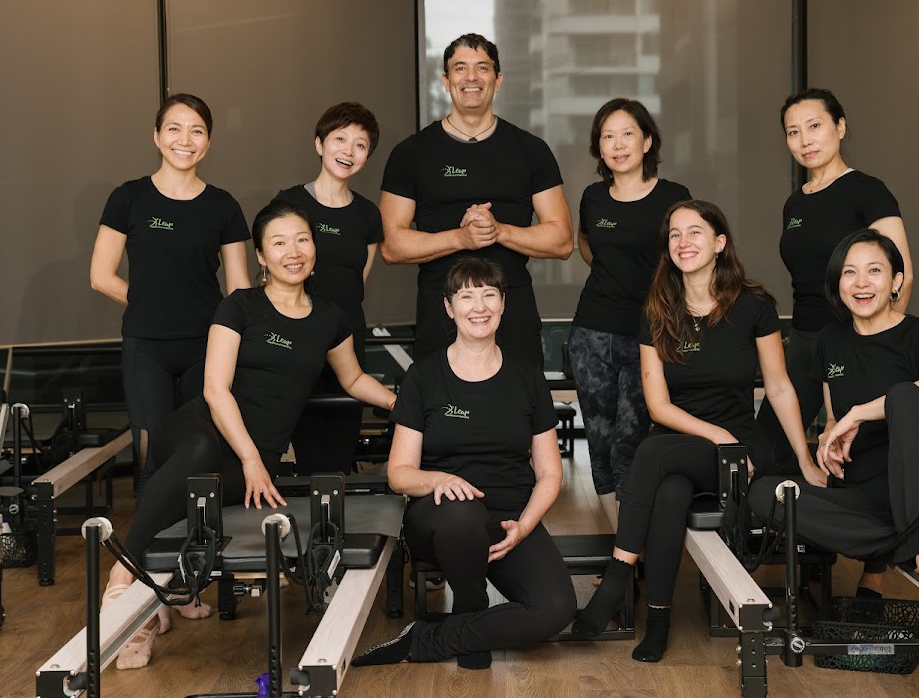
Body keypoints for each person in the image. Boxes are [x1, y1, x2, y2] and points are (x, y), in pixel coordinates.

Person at [101, 200, 395, 670]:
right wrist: (253, 459)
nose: (292, 251)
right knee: (198, 456)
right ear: (261, 255)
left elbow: (353, 379)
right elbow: (216, 391)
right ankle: (125, 578)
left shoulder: (329, 317)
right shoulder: (239, 305)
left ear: (313, 246)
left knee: (205, 488)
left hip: (255, 459)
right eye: (278, 243)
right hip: (200, 427)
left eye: (301, 239)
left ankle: (165, 595)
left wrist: (402, 404)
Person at [572, 200, 824, 662]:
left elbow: (781, 387)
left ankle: (617, 577)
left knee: (650, 456)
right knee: (668, 493)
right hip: (688, 443)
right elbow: (658, 405)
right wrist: (716, 435)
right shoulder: (656, 310)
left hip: (740, 450)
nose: (683, 242)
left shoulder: (754, 306)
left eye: (695, 233)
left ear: (719, 243)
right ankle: (660, 619)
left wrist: (804, 460)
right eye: (674, 235)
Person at [351, 258, 575, 670]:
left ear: (504, 304)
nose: (479, 306)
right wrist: (438, 478)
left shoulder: (527, 378)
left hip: (508, 518)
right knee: (462, 513)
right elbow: (400, 473)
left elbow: (549, 472)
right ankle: (470, 604)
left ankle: (435, 637)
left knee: (556, 608)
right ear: (449, 307)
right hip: (439, 518)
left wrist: (524, 525)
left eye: (489, 294)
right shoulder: (423, 377)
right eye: (466, 295)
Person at [752, 88, 911, 591]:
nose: (804, 140)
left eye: (815, 126)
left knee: (864, 450)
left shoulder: (868, 190)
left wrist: (877, 340)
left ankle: (874, 576)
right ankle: (802, 545)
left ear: (840, 127)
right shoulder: (794, 202)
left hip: (858, 340)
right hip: (804, 339)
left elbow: (900, 274)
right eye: (793, 132)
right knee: (773, 445)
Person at [750, 228, 919, 589]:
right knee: (766, 495)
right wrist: (828, 440)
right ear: (838, 282)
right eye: (849, 272)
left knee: (904, 395)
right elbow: (835, 415)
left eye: (874, 271)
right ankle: (894, 541)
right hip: (869, 495)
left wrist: (859, 413)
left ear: (896, 281)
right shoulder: (830, 341)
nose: (860, 283)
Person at [378, 33, 573, 368]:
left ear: (497, 81)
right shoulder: (410, 153)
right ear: (445, 80)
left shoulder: (530, 150)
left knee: (520, 414)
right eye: (460, 68)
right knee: (441, 414)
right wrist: (460, 238)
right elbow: (391, 245)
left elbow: (562, 240)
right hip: (441, 310)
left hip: (512, 308)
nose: (471, 77)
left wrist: (498, 232)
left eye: (482, 68)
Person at [91, 93, 252, 490]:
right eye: (174, 128)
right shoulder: (129, 197)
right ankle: (145, 550)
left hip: (207, 346)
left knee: (202, 449)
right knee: (151, 454)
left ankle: (198, 547)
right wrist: (153, 302)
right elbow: (101, 276)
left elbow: (239, 289)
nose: (185, 139)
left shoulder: (223, 206)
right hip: (147, 347)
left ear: (209, 141)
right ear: (157, 137)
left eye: (197, 130)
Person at [568, 98, 690, 531]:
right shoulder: (593, 198)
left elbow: (685, 256)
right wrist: (612, 274)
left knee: (632, 443)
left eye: (627, 134)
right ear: (598, 148)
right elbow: (587, 245)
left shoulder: (674, 197)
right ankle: (625, 547)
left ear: (647, 141)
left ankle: (632, 545)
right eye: (607, 136)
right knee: (599, 444)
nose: (617, 144)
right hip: (592, 335)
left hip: (651, 335)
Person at [274, 102, 384, 477]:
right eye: (340, 139)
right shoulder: (289, 204)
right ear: (319, 144)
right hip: (298, 339)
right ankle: (304, 529)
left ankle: (334, 531)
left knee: (339, 449)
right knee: (304, 449)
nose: (348, 151)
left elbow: (357, 282)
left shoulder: (369, 215)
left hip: (348, 340)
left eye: (360, 145)